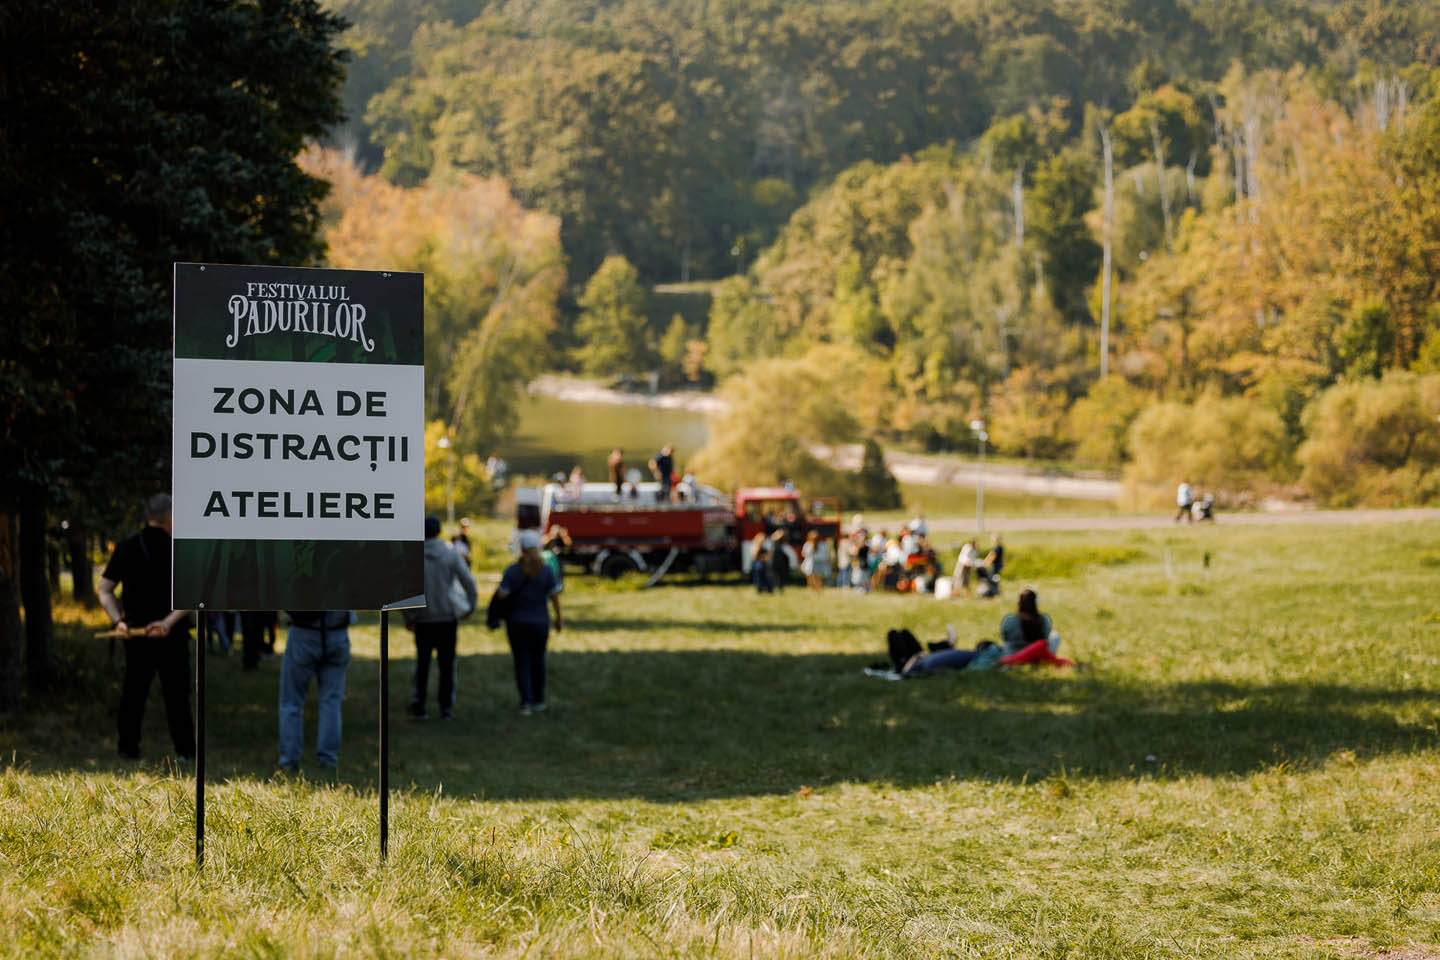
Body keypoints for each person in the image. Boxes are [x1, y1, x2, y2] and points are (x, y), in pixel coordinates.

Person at [98, 494, 195, 762]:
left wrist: (118, 621)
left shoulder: (127, 547)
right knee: (177, 697)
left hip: (135, 634)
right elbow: (193, 596)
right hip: (171, 636)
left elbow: (104, 589)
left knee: (133, 694)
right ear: (170, 517)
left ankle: (127, 749)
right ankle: (185, 752)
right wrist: (167, 622)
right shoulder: (180, 548)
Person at [404, 516, 478, 721]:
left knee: (422, 664)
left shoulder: (412, 556)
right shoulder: (450, 554)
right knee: (447, 665)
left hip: (423, 617)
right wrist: (470, 606)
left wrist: (408, 616)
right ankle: (446, 707)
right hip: (446, 617)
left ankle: (419, 704)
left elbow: (404, 589)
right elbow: (469, 582)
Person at [277, 610, 355, 771]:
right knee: (331, 701)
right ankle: (327, 759)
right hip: (337, 632)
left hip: (304, 632)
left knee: (291, 702)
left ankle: (289, 760)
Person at [496, 529, 562, 715]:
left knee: (522, 662)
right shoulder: (547, 571)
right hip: (540, 622)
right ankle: (539, 700)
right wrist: (559, 619)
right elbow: (555, 597)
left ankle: (526, 701)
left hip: (517, 623)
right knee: (538, 661)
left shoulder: (513, 571)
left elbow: (502, 595)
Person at [998, 588, 1070, 666]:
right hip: (1037, 655)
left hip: (1014, 653)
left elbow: (1005, 638)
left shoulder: (1009, 620)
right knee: (1054, 636)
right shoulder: (1044, 619)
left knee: (1007, 644)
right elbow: (1045, 637)